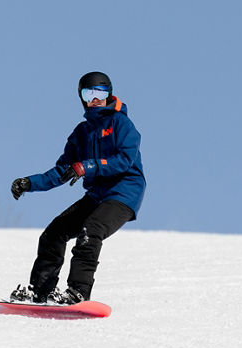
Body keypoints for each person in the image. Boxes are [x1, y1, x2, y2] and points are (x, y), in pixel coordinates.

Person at [8, 71, 146, 304]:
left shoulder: (121, 123)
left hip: (124, 192)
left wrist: (87, 166)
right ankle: (40, 291)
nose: (95, 99)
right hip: (97, 195)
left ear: (109, 94)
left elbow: (125, 160)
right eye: (89, 94)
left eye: (100, 93)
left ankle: (78, 291)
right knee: (54, 233)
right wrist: (30, 183)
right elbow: (62, 170)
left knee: (90, 231)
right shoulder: (81, 133)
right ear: (81, 98)